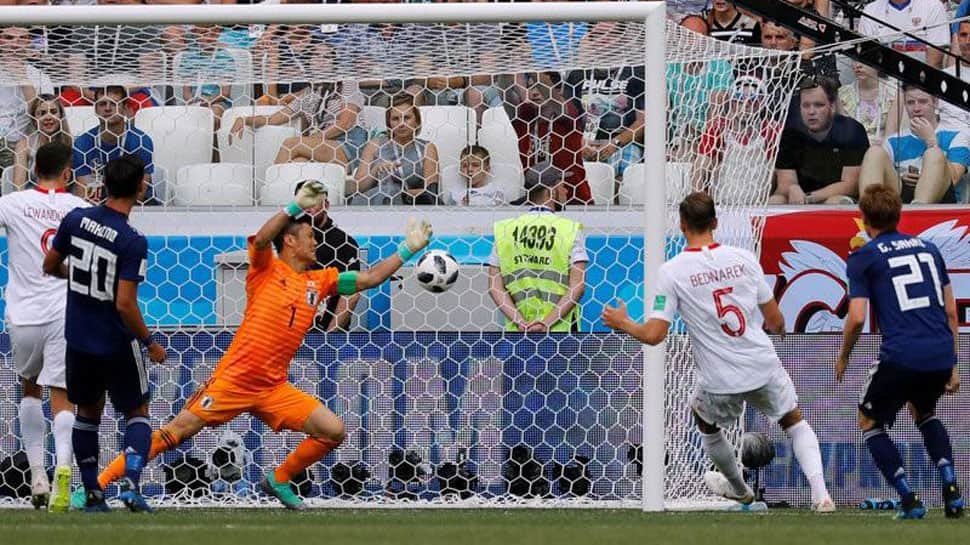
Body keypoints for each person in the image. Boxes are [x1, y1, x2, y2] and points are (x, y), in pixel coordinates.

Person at [84, 184, 433, 510]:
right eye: (310, 237)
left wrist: (408, 249)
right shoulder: (265, 269)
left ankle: (277, 479)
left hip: (273, 386)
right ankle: (97, 486)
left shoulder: (320, 280)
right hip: (234, 380)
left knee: (334, 431)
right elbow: (264, 237)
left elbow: (370, 279)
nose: (316, 243)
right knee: (174, 433)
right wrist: (296, 205)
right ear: (291, 242)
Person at [602, 192, 835, 512]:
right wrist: (777, 330)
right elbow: (775, 320)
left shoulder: (672, 271)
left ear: (682, 225)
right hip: (760, 363)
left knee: (705, 421)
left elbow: (655, 335)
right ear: (715, 222)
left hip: (720, 378)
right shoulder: (743, 258)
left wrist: (623, 322)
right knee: (794, 421)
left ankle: (739, 489)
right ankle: (821, 496)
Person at [42, 154, 167, 513]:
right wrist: (150, 342)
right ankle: (130, 483)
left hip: (78, 338)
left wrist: (81, 279)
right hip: (115, 340)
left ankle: (93, 492)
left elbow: (50, 265)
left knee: (87, 413)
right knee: (137, 412)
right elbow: (125, 303)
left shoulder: (76, 219)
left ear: (105, 184)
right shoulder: (131, 240)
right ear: (140, 187)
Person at [836, 185, 963, 520]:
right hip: (938, 351)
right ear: (899, 215)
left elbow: (858, 317)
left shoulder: (863, 256)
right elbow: (951, 311)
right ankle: (950, 486)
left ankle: (909, 499)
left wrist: (845, 355)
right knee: (923, 411)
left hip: (901, 353)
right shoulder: (930, 249)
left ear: (864, 219)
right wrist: (954, 363)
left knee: (869, 420)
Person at [0, 143, 88, 511]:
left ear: (35, 168)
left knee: (30, 389)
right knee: (63, 393)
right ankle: (63, 471)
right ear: (68, 172)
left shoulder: (12, 203)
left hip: (23, 312)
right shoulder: (80, 208)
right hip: (64, 310)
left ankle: (37, 473)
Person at [230, 43, 367, 168]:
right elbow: (273, 119)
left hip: (349, 143)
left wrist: (311, 139)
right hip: (323, 144)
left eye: (327, 57)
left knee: (291, 144)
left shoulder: (347, 84)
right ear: (310, 61)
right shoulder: (308, 95)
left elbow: (346, 122)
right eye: (317, 56)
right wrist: (245, 119)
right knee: (297, 164)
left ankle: (266, 190)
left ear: (334, 63)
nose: (321, 60)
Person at [489, 164, 587, 333]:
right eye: (562, 185)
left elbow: (494, 286)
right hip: (560, 333)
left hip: (518, 333)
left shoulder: (505, 230)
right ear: (551, 191)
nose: (566, 191)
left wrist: (520, 322)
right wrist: (545, 324)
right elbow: (577, 286)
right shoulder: (570, 230)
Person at [858, 85, 968, 204]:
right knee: (875, 152)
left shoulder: (957, 136)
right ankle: (868, 210)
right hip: (902, 195)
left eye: (922, 102)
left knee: (934, 153)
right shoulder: (893, 140)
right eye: (910, 103)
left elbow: (954, 178)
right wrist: (901, 177)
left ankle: (919, 210)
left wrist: (931, 141)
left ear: (935, 102)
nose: (916, 108)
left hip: (942, 201)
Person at [772, 77, 869, 204]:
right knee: (776, 200)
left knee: (835, 202)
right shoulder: (790, 133)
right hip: (800, 198)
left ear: (832, 106)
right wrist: (792, 188)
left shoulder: (851, 130)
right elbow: (785, 183)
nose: (811, 112)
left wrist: (810, 197)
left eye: (818, 105)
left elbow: (851, 186)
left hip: (836, 197)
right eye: (806, 106)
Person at [507, 71, 590, 204]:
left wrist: (530, 67)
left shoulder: (569, 116)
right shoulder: (524, 117)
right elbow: (505, 90)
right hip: (535, 199)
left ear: (558, 91)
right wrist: (510, 65)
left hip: (572, 199)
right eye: (530, 87)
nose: (534, 93)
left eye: (538, 87)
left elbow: (553, 98)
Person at [294, 180, 363, 332]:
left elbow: (352, 293)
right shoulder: (289, 241)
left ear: (326, 204)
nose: (308, 206)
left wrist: (329, 337)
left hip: (331, 336)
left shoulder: (344, 243)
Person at [72, 86, 156, 204]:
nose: (107, 108)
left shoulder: (141, 142)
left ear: (125, 109)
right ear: (95, 109)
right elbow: (85, 195)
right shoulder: (82, 143)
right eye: (102, 104)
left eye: (114, 104)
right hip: (98, 208)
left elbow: (139, 196)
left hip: (139, 208)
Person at [351, 95, 440, 205]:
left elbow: (431, 192)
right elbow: (358, 188)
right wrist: (376, 169)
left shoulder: (427, 148)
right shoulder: (375, 145)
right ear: (389, 124)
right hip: (376, 205)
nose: (401, 124)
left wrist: (398, 194)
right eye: (395, 119)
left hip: (412, 206)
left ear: (417, 122)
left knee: (391, 192)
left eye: (406, 118)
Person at [0, 26, 54, 170]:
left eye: (21, 39)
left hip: (24, 146)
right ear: (0, 42)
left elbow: (45, 118)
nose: (15, 44)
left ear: (29, 42)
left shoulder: (42, 78)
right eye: (9, 38)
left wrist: (22, 78)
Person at [859, 0, 949, 68]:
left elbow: (934, 62)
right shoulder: (870, 10)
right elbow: (866, 58)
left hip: (921, 82)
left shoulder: (933, 6)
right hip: (883, 80)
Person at [12, 94, 73, 190]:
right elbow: (18, 185)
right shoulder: (24, 144)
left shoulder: (71, 143)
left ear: (61, 116)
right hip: (33, 199)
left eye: (53, 112)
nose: (48, 117)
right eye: (42, 113)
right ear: (34, 120)